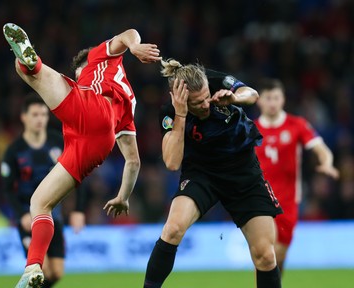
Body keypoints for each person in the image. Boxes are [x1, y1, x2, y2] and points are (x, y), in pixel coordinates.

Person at [3, 23, 161, 288]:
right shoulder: (129, 103)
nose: (79, 77)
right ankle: (32, 268)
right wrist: (123, 196)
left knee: (29, 71)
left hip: (91, 109)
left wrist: (133, 47)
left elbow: (128, 34)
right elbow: (133, 161)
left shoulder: (99, 56)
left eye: (79, 73)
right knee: (40, 203)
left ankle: (32, 61)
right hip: (97, 143)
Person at [143, 59, 283, 288]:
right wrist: (180, 115)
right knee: (173, 230)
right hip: (202, 172)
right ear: (183, 100)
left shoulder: (215, 80)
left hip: (242, 170)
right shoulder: (170, 112)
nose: (206, 104)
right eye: (197, 103)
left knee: (265, 256)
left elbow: (252, 94)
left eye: (207, 96)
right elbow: (171, 163)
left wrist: (236, 98)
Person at [254, 78, 339, 274]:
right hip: (259, 199)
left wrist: (326, 163)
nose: (272, 103)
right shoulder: (251, 128)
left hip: (288, 201)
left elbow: (321, 148)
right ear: (260, 101)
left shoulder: (297, 125)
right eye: (268, 98)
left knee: (279, 256)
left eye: (276, 98)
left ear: (283, 99)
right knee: (265, 253)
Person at [1, 94, 66, 288]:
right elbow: (8, 188)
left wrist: (78, 209)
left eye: (44, 114)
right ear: (24, 117)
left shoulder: (58, 142)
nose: (40, 119)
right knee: (41, 270)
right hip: (28, 217)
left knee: (56, 272)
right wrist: (21, 215)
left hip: (55, 215)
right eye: (35, 114)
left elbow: (75, 171)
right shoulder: (14, 150)